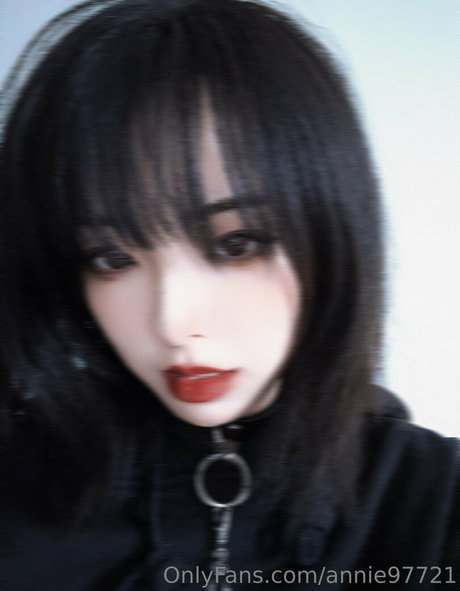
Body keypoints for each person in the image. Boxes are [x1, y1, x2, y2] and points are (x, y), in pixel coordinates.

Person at [1, 1, 458, 589]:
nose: (172, 323)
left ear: (332, 229)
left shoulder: (431, 508)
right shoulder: (23, 492)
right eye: (112, 258)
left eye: (237, 244)